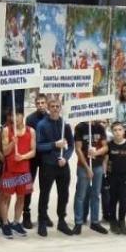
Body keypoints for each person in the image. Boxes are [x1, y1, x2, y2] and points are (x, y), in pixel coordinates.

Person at [35, 97, 75, 237]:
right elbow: (38, 146)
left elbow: (71, 145)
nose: (55, 108)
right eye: (52, 106)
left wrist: (66, 157)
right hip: (48, 165)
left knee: (64, 194)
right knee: (44, 194)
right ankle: (42, 221)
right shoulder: (42, 125)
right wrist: (54, 145)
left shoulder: (65, 125)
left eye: (57, 106)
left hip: (63, 165)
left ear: (60, 108)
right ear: (48, 108)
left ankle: (62, 221)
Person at [0, 110, 35, 239]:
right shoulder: (6, 130)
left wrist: (23, 156)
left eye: (18, 115)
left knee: (21, 198)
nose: (15, 118)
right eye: (13, 115)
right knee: (5, 197)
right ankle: (5, 223)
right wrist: (13, 143)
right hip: (10, 170)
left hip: (24, 170)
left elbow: (33, 152)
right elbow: (5, 152)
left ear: (22, 116)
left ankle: (16, 222)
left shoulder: (31, 131)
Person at [73, 119, 109, 235]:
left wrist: (96, 152)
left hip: (98, 165)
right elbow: (78, 149)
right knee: (80, 195)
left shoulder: (100, 127)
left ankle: (95, 222)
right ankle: (78, 222)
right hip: (83, 166)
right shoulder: (80, 127)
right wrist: (87, 168)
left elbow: (105, 147)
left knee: (96, 195)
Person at [106, 122, 126, 235]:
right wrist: (105, 176)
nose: (117, 132)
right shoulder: (109, 145)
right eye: (115, 130)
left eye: (120, 129)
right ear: (112, 132)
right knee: (112, 200)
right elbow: (105, 161)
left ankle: (122, 221)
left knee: (124, 201)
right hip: (112, 177)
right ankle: (113, 221)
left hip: (125, 177)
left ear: (124, 131)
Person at [23, 93, 48, 229]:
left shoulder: (50, 117)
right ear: (35, 104)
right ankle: (26, 214)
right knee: (28, 186)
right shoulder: (30, 119)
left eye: (42, 103)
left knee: (45, 187)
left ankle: (43, 214)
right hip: (32, 157)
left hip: (45, 157)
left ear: (46, 103)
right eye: (38, 103)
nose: (40, 105)